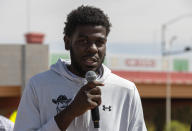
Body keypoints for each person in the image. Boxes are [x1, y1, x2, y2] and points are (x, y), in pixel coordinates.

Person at [14, 5, 147, 131]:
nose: (93, 49)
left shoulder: (126, 90)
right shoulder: (39, 86)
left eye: (100, 42)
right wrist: (70, 112)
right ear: (67, 42)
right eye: (83, 41)